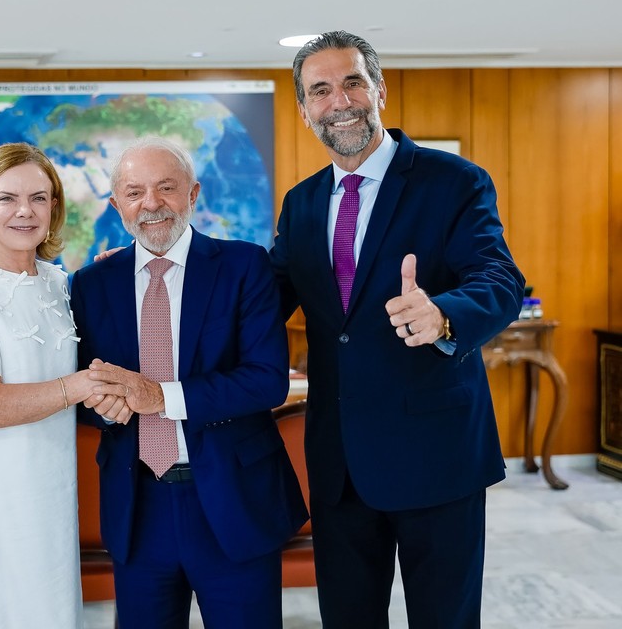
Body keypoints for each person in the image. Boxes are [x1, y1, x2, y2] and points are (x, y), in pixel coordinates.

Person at [271, 31, 525, 628]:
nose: (340, 102)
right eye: (320, 90)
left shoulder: (453, 181)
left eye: (353, 82)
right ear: (305, 109)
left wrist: (443, 314)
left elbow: (500, 278)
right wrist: (157, 276)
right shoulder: (302, 204)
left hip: (436, 457)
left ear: (379, 90)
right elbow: (264, 295)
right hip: (339, 465)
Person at [70, 137, 308, 629]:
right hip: (138, 507)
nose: (151, 203)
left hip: (232, 500)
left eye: (166, 187)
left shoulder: (244, 266)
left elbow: (266, 382)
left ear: (193, 194)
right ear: (116, 205)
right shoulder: (92, 284)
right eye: (134, 192)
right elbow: (86, 389)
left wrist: (160, 397)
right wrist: (103, 404)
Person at [0, 142, 124, 628]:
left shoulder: (60, 284)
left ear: (54, 207)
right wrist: (81, 385)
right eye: (7, 198)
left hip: (51, 494)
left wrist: (117, 276)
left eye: (39, 198)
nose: (24, 211)